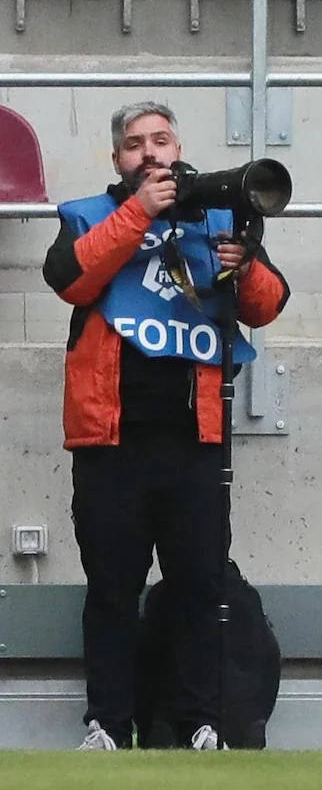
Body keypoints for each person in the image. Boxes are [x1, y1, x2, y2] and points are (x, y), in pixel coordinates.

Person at [45, 102, 291, 751]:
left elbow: (267, 305)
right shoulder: (89, 215)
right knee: (112, 590)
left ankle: (201, 721)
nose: (149, 153)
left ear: (179, 146)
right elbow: (70, 278)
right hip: (110, 442)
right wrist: (142, 213)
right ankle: (108, 724)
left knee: (199, 587)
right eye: (134, 145)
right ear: (117, 159)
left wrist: (245, 260)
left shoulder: (213, 216)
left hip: (195, 441)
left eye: (160, 140)